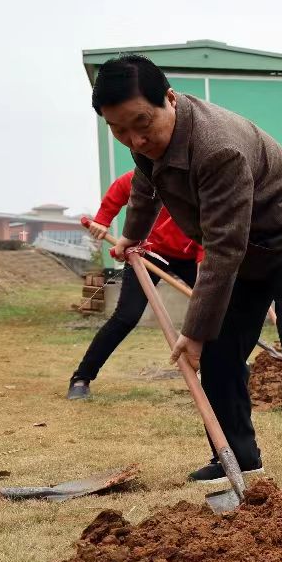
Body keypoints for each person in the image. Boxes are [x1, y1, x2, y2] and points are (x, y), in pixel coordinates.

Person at [93, 54, 282, 499]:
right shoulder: (145, 142)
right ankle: (238, 453)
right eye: (118, 130)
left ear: (170, 99)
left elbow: (223, 248)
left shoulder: (217, 146)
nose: (134, 139)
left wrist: (192, 331)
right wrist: (131, 238)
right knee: (220, 350)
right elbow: (145, 187)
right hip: (246, 249)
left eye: (141, 124)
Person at [68, 171, 204, 400]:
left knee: (220, 310)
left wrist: (205, 286)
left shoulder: (206, 184)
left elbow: (208, 236)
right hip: (149, 251)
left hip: (191, 255)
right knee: (127, 316)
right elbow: (121, 188)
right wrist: (102, 219)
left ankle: (221, 376)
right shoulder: (155, 174)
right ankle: (82, 377)